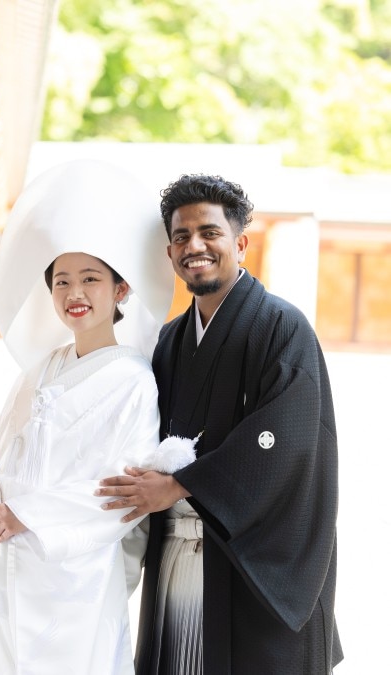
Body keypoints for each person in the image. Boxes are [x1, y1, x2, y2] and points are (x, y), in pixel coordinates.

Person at [0, 160, 180, 675]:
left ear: (121, 291)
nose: (74, 293)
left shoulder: (134, 381)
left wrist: (27, 515)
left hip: (72, 578)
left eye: (91, 279)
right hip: (5, 560)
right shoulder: (41, 369)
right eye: (62, 280)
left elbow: (123, 489)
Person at [92, 174, 343, 673]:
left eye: (210, 233)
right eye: (181, 237)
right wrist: (15, 437)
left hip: (249, 566)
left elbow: (286, 437)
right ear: (170, 253)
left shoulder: (281, 327)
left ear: (241, 243)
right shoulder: (169, 340)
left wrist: (181, 485)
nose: (195, 247)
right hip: (177, 562)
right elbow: (120, 411)